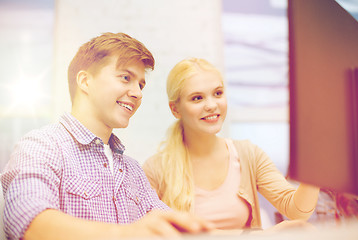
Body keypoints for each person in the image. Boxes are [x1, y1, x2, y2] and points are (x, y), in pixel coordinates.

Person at [0, 33, 211, 240]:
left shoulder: (133, 169)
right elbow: (30, 223)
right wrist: (131, 234)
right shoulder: (41, 146)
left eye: (140, 84)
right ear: (85, 81)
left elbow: (168, 225)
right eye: (126, 78)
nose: (137, 93)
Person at [143, 57, 320, 231]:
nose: (212, 105)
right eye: (197, 98)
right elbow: (148, 233)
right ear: (175, 109)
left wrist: (316, 165)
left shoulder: (248, 154)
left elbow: (297, 211)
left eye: (218, 93)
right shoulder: (155, 170)